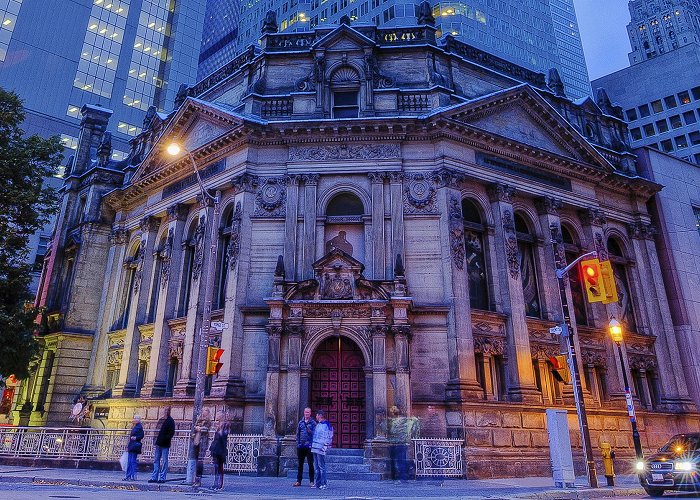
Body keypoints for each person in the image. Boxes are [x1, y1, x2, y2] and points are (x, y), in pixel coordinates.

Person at [387, 405, 420, 482]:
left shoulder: (397, 421)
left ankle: (401, 477)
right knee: (400, 461)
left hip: (397, 443)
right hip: (400, 443)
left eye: (393, 410)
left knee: (399, 461)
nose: (391, 411)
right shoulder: (408, 421)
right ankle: (400, 477)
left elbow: (392, 431)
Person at [149, 406, 175, 483]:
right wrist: (155, 440)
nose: (165, 411)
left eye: (167, 410)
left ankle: (162, 477)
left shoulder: (170, 421)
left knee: (164, 461)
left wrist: (165, 438)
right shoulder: (161, 420)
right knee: (156, 460)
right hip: (159, 443)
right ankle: (154, 477)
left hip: (165, 444)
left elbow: (171, 433)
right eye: (165, 410)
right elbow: (157, 431)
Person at [293, 407, 316, 487]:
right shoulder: (300, 422)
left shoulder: (313, 423)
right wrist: (298, 444)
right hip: (301, 446)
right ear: (304, 413)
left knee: (310, 464)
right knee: (300, 464)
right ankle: (298, 481)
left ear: (310, 413)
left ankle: (312, 481)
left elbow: (316, 434)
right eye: (305, 412)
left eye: (308, 412)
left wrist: (311, 432)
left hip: (309, 447)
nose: (306, 414)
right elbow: (297, 434)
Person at [311, 410, 333, 490]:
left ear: (320, 415)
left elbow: (329, 436)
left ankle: (324, 484)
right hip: (314, 448)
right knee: (316, 467)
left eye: (316, 415)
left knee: (322, 467)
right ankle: (317, 483)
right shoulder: (318, 425)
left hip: (321, 449)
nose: (316, 417)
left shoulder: (327, 425)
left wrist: (325, 446)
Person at [192, 408, 211, 487]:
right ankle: (194, 479)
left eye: (205, 412)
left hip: (203, 442)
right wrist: (197, 429)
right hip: (196, 442)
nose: (204, 413)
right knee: (195, 460)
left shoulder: (208, 422)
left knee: (200, 461)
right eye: (203, 412)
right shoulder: (199, 420)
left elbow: (205, 429)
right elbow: (194, 428)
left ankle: (198, 480)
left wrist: (198, 428)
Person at [209, 421, 231, 490]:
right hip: (217, 451)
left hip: (220, 452)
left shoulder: (224, 432)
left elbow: (222, 442)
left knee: (219, 468)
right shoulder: (219, 431)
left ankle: (219, 484)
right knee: (217, 468)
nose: (217, 423)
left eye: (219, 422)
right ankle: (216, 484)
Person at [124, 414, 144, 481]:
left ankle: (132, 476)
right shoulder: (135, 426)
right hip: (132, 445)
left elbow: (141, 435)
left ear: (139, 419)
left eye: (136, 418)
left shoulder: (139, 427)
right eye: (134, 418)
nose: (135, 419)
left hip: (134, 446)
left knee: (132, 461)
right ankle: (129, 476)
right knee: (130, 461)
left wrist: (135, 438)